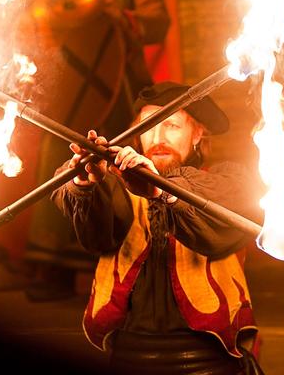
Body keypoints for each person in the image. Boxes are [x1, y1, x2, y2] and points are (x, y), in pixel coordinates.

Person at [51, 81, 265, 374]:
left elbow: (221, 217)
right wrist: (85, 182)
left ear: (198, 134)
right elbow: (93, 232)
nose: (158, 137)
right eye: (149, 125)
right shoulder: (114, 186)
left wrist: (160, 191)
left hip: (209, 361)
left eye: (172, 126)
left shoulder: (228, 181)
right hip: (130, 356)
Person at [23, 0, 171, 301]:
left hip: (119, 94)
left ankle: (114, 268)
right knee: (62, 169)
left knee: (114, 174)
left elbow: (157, 23)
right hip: (73, 97)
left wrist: (119, 14)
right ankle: (52, 267)